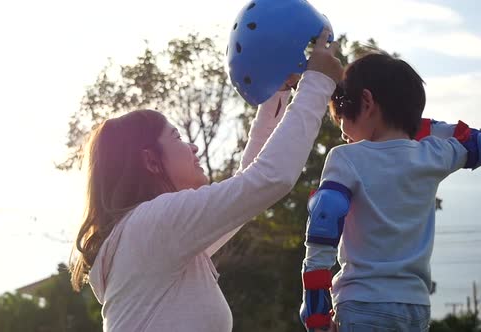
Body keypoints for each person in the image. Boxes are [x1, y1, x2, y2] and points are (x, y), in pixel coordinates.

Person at [69, 29, 342, 332]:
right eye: (177, 138)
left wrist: (278, 94)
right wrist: (317, 81)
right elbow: (268, 179)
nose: (193, 147)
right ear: (150, 161)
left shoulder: (149, 237)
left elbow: (248, 185)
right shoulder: (154, 225)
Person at [299, 52, 480, 332]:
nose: (342, 131)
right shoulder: (434, 154)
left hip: (362, 303)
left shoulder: (347, 158)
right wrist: (411, 120)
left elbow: (323, 231)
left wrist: (317, 313)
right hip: (415, 308)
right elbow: (474, 141)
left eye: (343, 112)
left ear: (367, 102)